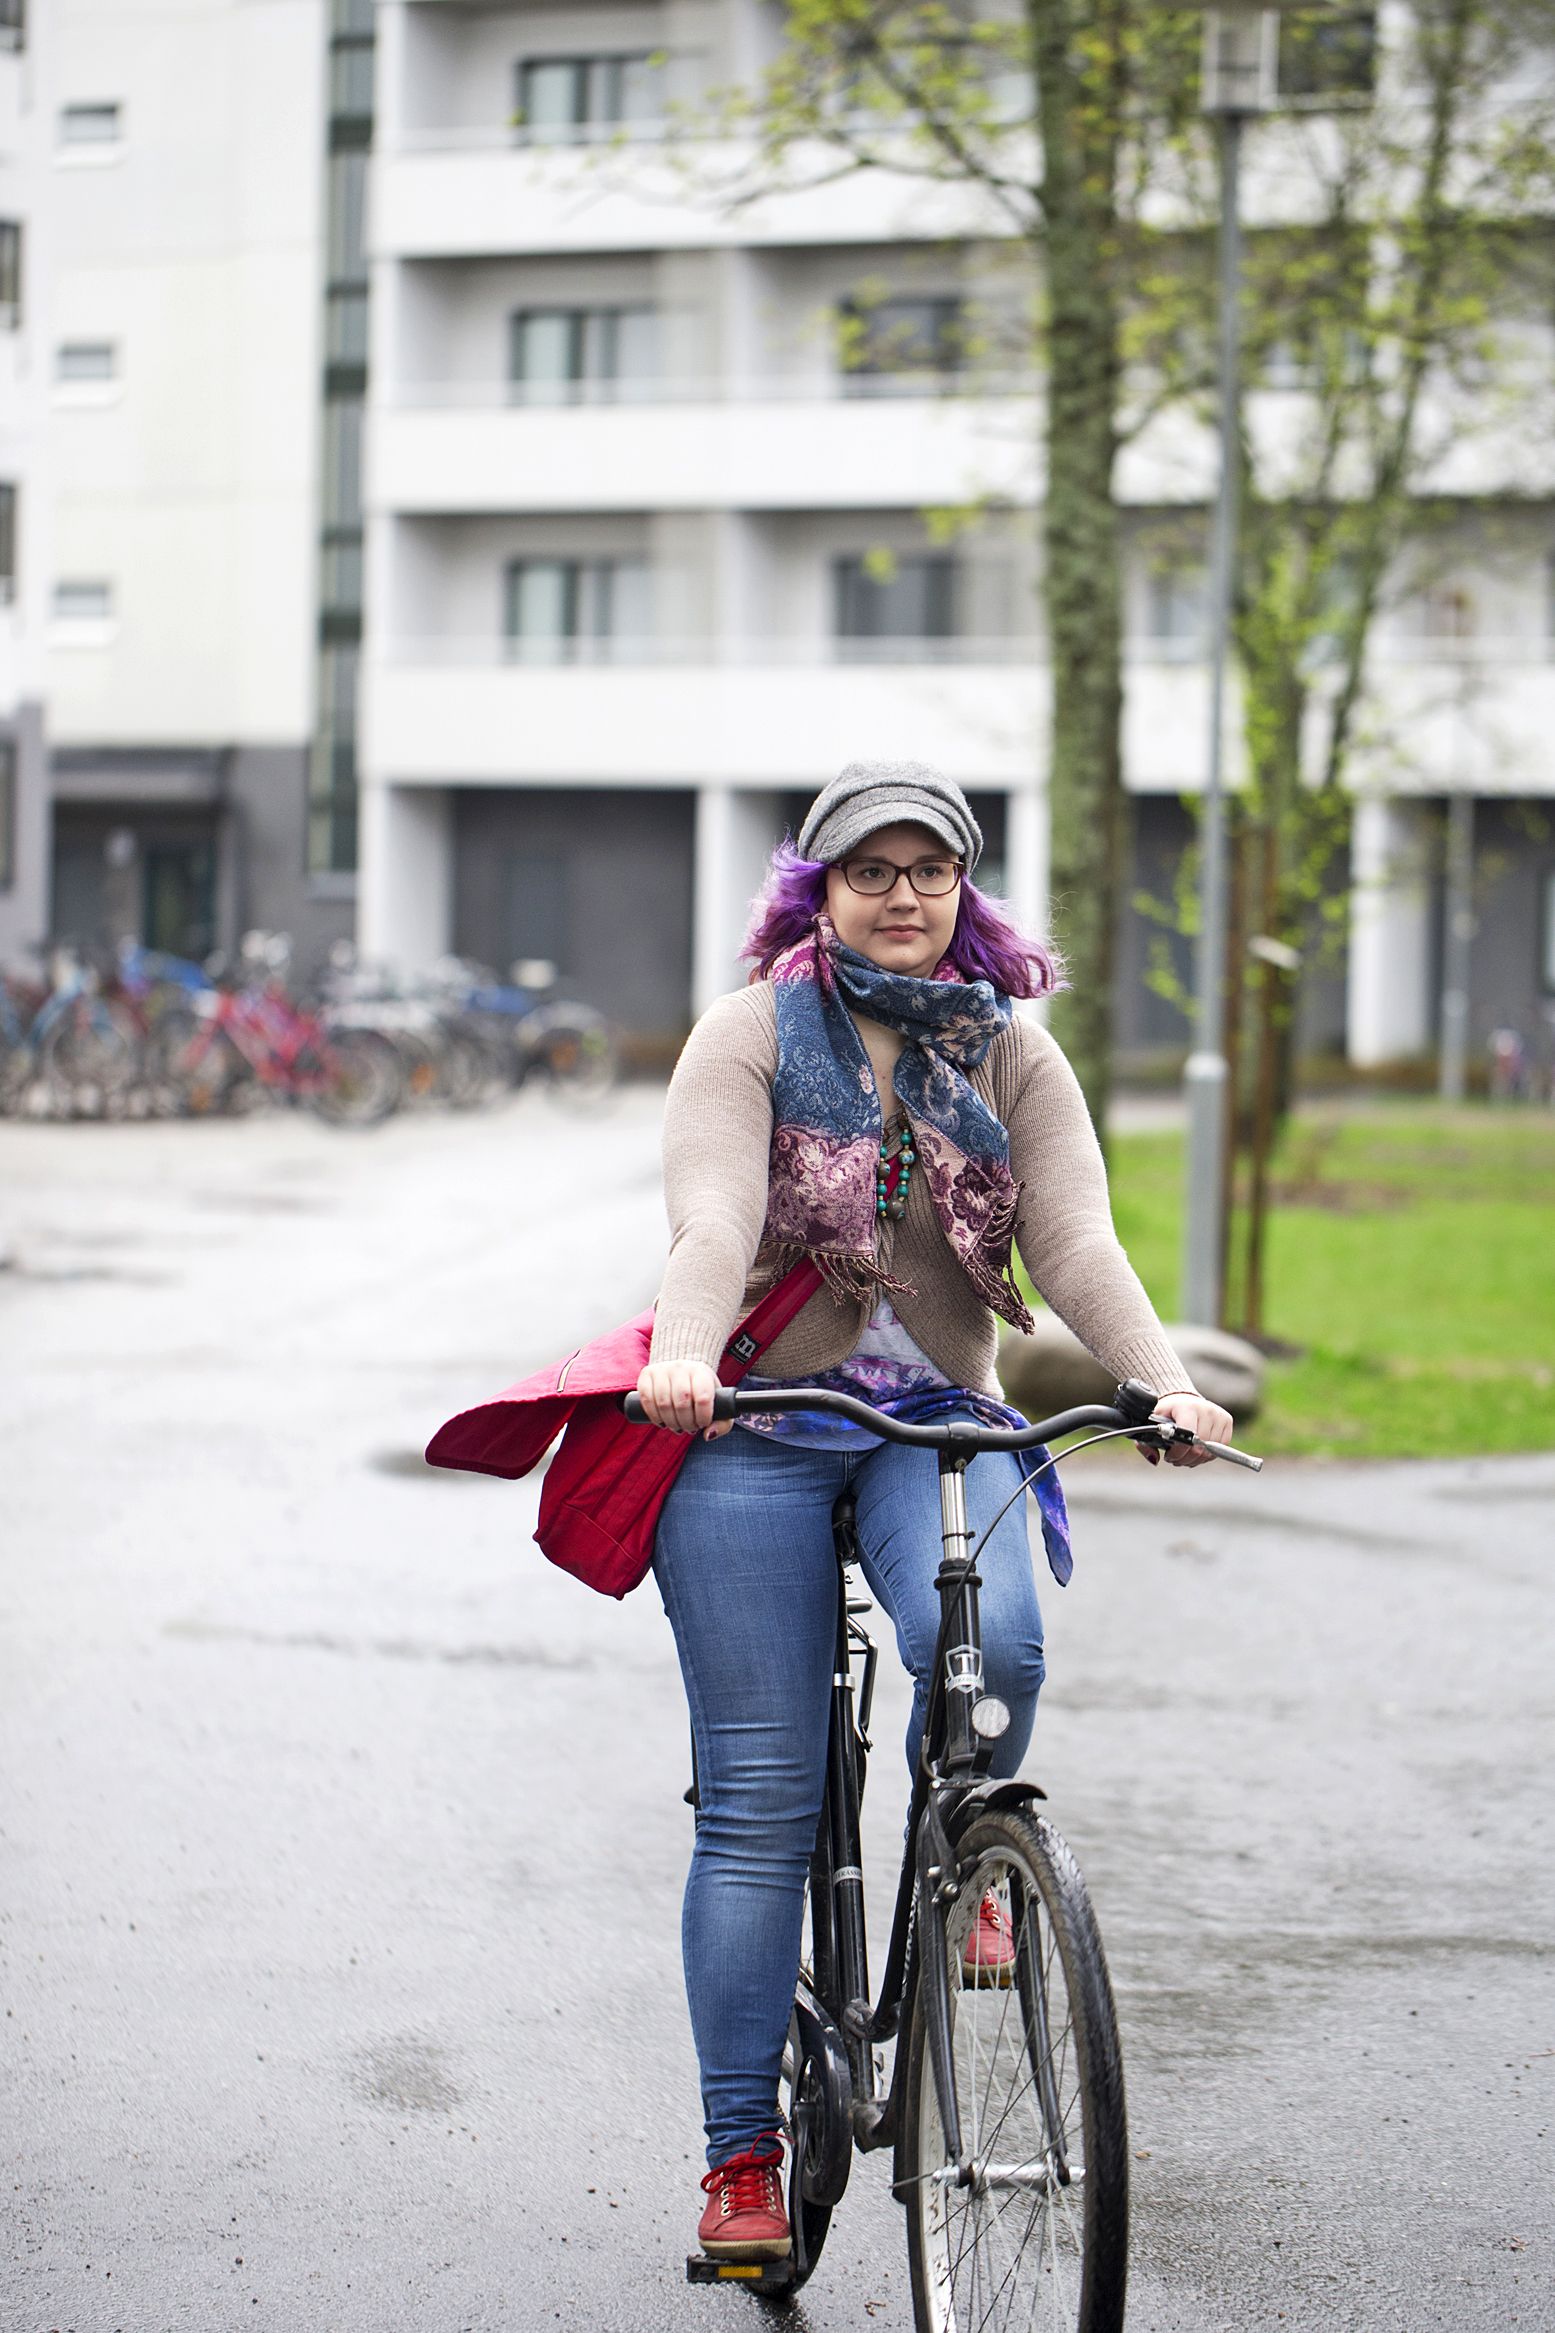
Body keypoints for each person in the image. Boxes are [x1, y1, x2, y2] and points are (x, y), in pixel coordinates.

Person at [637, 760, 1230, 2263]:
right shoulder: (750, 1031)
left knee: (1001, 1652)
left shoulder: (1012, 1049)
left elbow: (1073, 1237)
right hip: (758, 1418)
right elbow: (713, 1214)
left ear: (965, 886)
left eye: (931, 870)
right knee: (761, 1803)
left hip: (933, 1418)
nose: (903, 896)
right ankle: (741, 2163)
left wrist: (1163, 1383)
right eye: (870, 871)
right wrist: (687, 1352)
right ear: (818, 888)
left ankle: (968, 1858)